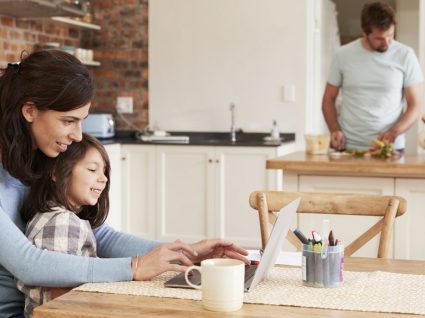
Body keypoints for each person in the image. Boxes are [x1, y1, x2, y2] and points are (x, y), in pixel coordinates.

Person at [0, 49, 248, 317]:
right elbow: (28, 263)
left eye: (81, 121)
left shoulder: (42, 158)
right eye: (68, 121)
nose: (77, 135)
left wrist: (186, 252)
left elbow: (98, 234)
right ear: (29, 110)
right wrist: (134, 267)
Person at [17, 133, 110, 316]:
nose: (104, 178)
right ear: (56, 173)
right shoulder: (62, 221)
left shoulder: (54, 216)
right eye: (92, 170)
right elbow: (58, 294)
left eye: (104, 171)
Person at [322, 1, 423, 151]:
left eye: (390, 35)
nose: (387, 43)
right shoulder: (342, 55)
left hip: (390, 149)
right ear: (365, 32)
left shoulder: (406, 55)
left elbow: (415, 104)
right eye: (379, 39)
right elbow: (328, 99)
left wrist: (394, 132)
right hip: (349, 148)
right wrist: (334, 129)